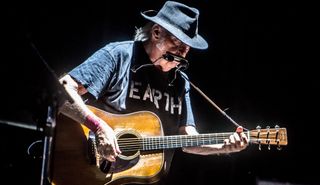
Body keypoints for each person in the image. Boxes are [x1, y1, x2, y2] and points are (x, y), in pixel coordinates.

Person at [58, 1, 248, 184]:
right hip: (94, 172)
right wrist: (98, 127)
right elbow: (62, 89)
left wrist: (224, 146)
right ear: (156, 33)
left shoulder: (180, 83)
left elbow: (188, 139)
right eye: (178, 44)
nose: (182, 54)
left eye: (187, 49)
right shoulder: (119, 56)